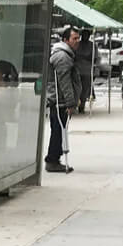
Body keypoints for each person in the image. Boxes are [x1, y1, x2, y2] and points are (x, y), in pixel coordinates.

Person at [45, 26, 80, 173]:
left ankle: (54, 158)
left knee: (59, 130)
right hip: (59, 100)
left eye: (78, 38)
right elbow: (64, 82)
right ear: (66, 40)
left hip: (59, 99)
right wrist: (71, 102)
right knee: (58, 130)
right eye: (74, 39)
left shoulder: (66, 54)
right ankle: (53, 160)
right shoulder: (63, 57)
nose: (77, 41)